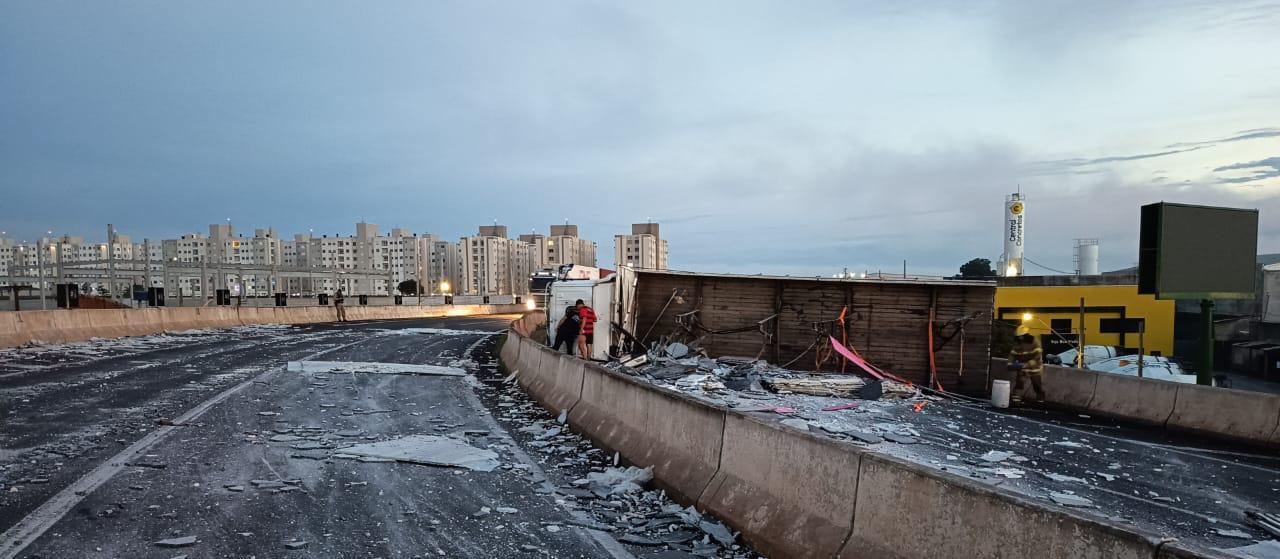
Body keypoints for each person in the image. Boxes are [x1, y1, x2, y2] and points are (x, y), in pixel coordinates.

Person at [1009, 325, 1045, 403]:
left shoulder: (1034, 341)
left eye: (1021, 336)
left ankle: (1040, 400)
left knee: (1037, 384)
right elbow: (1013, 354)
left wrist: (1032, 362)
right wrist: (1010, 362)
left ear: (1026, 335)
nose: (1020, 338)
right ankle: (1016, 399)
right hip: (1023, 366)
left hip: (1034, 367)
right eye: (1019, 336)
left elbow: (1038, 354)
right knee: (1019, 382)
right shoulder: (1017, 343)